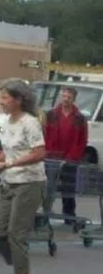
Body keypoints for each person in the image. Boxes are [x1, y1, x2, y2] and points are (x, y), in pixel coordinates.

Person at [0, 79, 47, 274]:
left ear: (19, 99)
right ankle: (24, 272)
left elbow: (39, 153)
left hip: (29, 183)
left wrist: (11, 164)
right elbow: (8, 152)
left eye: (5, 98)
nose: (1, 102)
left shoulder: (30, 123)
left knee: (15, 234)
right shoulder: (8, 122)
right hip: (8, 182)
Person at [43, 87, 88, 228]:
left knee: (68, 189)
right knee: (48, 187)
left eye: (68, 97)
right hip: (52, 157)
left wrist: (72, 157)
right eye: (63, 96)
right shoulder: (51, 115)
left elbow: (82, 140)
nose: (65, 99)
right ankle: (45, 214)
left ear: (73, 99)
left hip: (70, 160)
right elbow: (45, 135)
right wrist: (49, 153)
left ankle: (69, 215)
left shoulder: (80, 118)